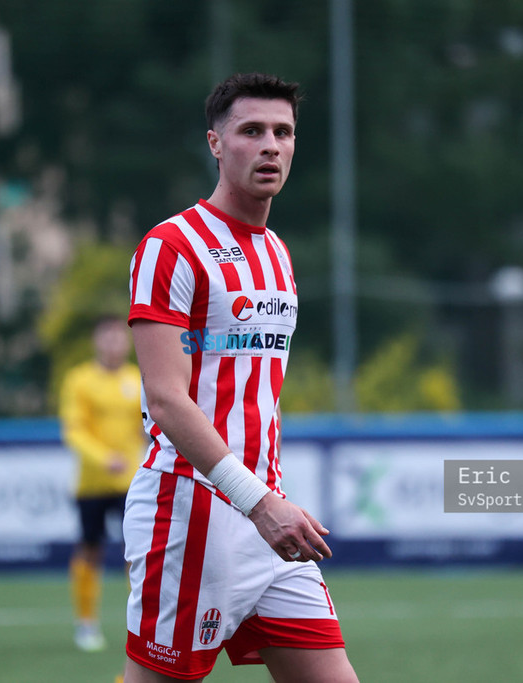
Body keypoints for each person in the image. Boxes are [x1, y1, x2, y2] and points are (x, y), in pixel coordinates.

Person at [123, 73, 359, 682]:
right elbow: (166, 400)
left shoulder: (277, 253)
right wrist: (260, 503)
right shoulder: (171, 246)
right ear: (215, 143)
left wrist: (265, 503)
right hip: (190, 513)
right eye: (251, 131)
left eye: (283, 132)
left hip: (269, 522)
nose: (271, 146)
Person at [59, 315, 146, 652]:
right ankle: (86, 623)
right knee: (89, 548)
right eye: (107, 337)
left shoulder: (137, 377)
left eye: (119, 337)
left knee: (136, 552)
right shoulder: (79, 380)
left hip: (132, 482)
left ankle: (142, 623)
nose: (113, 343)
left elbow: (148, 425)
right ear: (96, 341)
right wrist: (103, 458)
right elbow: (74, 430)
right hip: (92, 483)